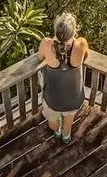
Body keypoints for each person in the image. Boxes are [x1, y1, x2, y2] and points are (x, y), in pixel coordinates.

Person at [37, 12, 88, 144]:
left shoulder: (47, 44)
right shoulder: (81, 43)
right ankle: (66, 136)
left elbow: (40, 57)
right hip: (74, 98)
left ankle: (57, 132)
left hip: (53, 99)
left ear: (56, 30)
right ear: (74, 31)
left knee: (52, 121)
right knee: (69, 117)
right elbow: (86, 56)